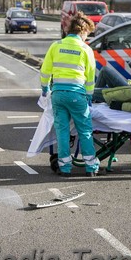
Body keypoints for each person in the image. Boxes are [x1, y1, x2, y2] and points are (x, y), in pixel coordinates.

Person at [40, 12, 99, 177]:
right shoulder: (85, 49)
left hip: (58, 94)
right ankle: (91, 167)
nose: (87, 38)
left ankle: (65, 168)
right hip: (77, 95)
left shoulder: (56, 46)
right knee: (85, 131)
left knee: (62, 131)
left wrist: (45, 88)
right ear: (82, 31)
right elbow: (90, 76)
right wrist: (89, 96)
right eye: (87, 34)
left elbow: (45, 71)